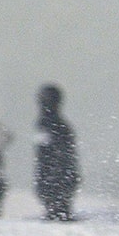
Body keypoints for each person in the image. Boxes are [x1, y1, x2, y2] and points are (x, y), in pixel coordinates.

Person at [34, 84, 80, 222]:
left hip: (55, 178)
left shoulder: (47, 124)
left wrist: (47, 177)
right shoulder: (61, 125)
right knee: (60, 214)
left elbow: (46, 154)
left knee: (57, 216)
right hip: (60, 178)